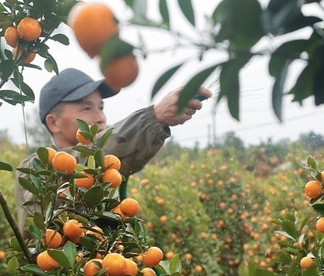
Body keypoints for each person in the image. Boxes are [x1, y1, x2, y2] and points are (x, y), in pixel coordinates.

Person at [15, 67, 211, 233]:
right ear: (54, 122)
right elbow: (82, 162)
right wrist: (155, 117)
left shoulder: (107, 170)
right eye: (86, 108)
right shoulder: (36, 169)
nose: (100, 117)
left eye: (101, 107)